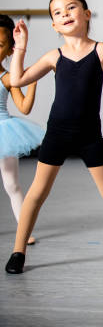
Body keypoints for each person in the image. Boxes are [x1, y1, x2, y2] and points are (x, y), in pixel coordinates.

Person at [4, 0, 103, 274]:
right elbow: (18, 79)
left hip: (89, 136)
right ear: (54, 25)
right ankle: (18, 251)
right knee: (36, 194)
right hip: (57, 134)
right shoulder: (53, 56)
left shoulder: (102, 50)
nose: (65, 14)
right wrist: (20, 47)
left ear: (86, 13)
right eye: (57, 13)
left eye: (71, 8)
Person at [0, 14, 44, 246]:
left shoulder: (7, 78)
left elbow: (24, 108)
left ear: (9, 51)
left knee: (12, 184)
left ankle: (23, 230)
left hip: (4, 132)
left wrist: (33, 82)